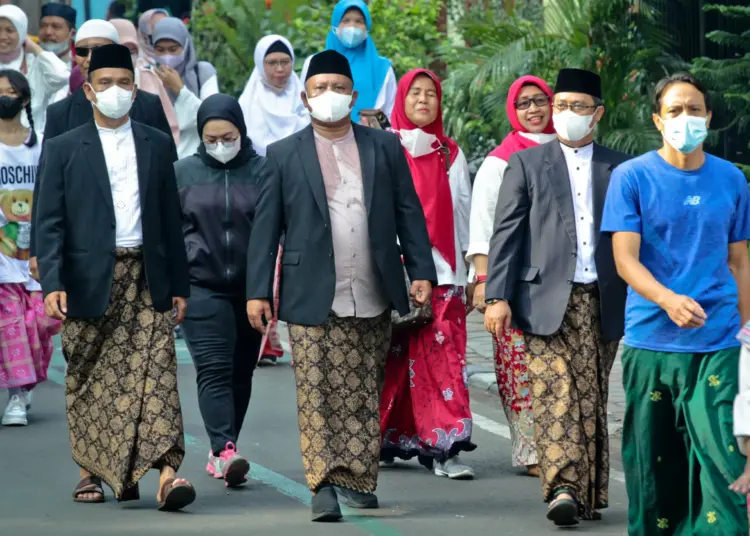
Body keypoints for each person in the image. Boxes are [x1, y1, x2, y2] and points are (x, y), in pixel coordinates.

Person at [246, 50, 436, 522]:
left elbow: (408, 213)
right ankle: (323, 484)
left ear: (353, 95)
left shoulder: (383, 147)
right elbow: (266, 229)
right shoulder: (283, 154)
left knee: (361, 389)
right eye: (319, 88)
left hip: (372, 287)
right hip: (310, 291)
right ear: (306, 98)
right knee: (316, 390)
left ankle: (356, 477)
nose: (329, 96)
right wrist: (256, 292)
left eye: (337, 87)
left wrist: (422, 273)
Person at [35, 44, 194, 510]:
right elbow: (49, 221)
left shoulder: (156, 142)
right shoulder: (65, 148)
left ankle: (168, 475)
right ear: (88, 90)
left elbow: (170, 218)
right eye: (105, 83)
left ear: (135, 87)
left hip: (148, 275)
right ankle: (92, 470)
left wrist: (180, 285)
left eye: (124, 83)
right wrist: (52, 283)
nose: (116, 91)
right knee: (89, 376)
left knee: (158, 373)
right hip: (88, 278)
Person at [603, 72, 750, 536]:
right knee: (655, 468)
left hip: (719, 343)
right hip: (652, 341)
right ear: (656, 119)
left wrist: (747, 334)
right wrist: (668, 300)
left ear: (708, 116)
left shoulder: (731, 179)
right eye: (674, 110)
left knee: (725, 465)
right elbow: (625, 260)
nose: (685, 118)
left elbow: (740, 262)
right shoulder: (632, 177)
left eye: (694, 109)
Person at [484, 68, 629, 527]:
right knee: (554, 392)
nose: (567, 115)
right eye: (561, 105)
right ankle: (561, 487)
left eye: (578, 107)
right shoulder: (528, 164)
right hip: (542, 299)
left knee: (591, 396)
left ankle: (587, 490)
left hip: (604, 298)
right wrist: (496, 297)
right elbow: (506, 234)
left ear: (597, 113)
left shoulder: (620, 167)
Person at [379, 68, 475, 479]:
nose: (423, 100)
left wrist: (473, 270)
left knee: (444, 359)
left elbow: (463, 214)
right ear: (400, 99)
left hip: (443, 272)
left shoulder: (451, 154)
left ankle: (446, 445)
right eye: (414, 93)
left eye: (430, 94)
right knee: (393, 358)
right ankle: (389, 436)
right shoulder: (382, 148)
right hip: (392, 272)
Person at [466, 75, 556, 476]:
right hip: (512, 282)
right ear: (512, 111)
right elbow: (484, 225)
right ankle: (530, 450)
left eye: (540, 100)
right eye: (524, 104)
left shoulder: (568, 151)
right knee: (517, 366)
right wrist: (485, 283)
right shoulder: (499, 161)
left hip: (558, 281)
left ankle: (559, 442)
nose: (534, 109)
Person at [176, 93, 264, 487]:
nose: (220, 145)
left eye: (227, 137)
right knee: (213, 368)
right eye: (211, 139)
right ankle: (225, 448)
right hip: (201, 286)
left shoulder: (264, 172)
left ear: (241, 133)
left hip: (252, 289)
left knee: (241, 372)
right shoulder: (183, 173)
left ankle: (223, 451)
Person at [238, 34, 310, 366]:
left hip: (300, 191)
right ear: (260, 64)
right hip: (260, 192)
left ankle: (295, 330)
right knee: (266, 259)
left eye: (285, 62)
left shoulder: (304, 97)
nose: (279, 69)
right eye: (272, 63)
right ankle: (263, 339)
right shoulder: (247, 102)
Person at [0, 69, 61, 426]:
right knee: (10, 326)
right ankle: (17, 398)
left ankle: (26, 383)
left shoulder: (41, 145)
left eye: (9, 91)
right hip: (2, 255)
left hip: (38, 254)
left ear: (24, 99)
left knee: (40, 323)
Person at [41, 19, 173, 141]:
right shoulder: (60, 113)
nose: (89, 58)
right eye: (82, 51)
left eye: (98, 50)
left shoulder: (148, 105)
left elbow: (165, 159)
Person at [300, 0, 396, 123]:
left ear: (367, 27)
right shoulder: (315, 63)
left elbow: (390, 110)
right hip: (321, 134)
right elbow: (303, 107)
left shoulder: (382, 68)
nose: (352, 26)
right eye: (345, 21)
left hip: (370, 137)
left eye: (359, 21)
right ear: (335, 25)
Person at [152, 17, 219, 159]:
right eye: (160, 50)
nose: (166, 56)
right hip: (160, 159)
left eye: (173, 49)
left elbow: (212, 116)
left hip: (199, 158)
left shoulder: (202, 72)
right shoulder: (148, 76)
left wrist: (181, 90)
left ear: (186, 46)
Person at [0, 5, 69, 133]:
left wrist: (37, 50)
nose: (3, 36)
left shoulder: (35, 64)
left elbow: (62, 77)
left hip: (32, 144)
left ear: (21, 33)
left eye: (10, 30)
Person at [110, 18, 179, 145]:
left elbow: (170, 125)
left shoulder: (150, 77)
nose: (128, 56)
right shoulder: (100, 83)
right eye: (123, 49)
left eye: (132, 51)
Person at [39, 2, 77, 106]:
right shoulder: (28, 61)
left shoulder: (81, 64)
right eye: (43, 26)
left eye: (56, 27)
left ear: (72, 33)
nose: (48, 32)